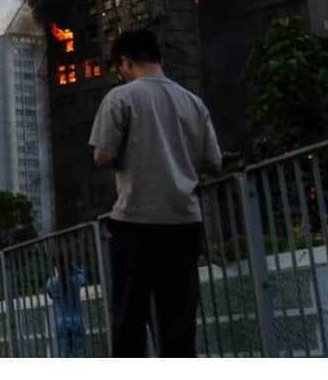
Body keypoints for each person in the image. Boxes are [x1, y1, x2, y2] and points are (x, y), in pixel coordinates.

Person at [89, 26, 222, 358]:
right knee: (179, 321)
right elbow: (214, 161)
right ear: (159, 58)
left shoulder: (121, 97)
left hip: (136, 222)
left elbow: (102, 154)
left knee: (129, 319)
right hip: (184, 223)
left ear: (126, 62)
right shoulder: (192, 102)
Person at [45, 255, 88, 358]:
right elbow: (84, 275)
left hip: (60, 322)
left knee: (63, 353)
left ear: (56, 268)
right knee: (80, 352)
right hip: (76, 319)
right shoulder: (76, 279)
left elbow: (50, 295)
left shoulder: (51, 282)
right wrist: (74, 268)